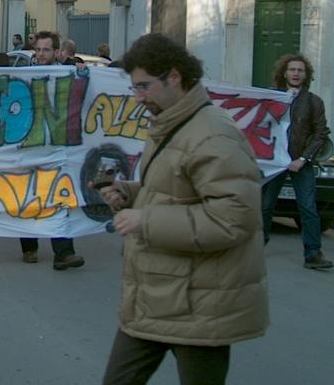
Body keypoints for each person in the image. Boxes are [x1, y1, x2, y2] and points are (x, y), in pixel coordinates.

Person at [97, 33, 268, 385]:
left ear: (173, 77)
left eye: (144, 87)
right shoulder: (173, 123)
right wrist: (128, 193)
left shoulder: (213, 135)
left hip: (198, 306)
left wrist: (146, 219)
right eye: (135, 89)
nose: (139, 97)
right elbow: (177, 190)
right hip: (155, 296)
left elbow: (233, 218)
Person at [19, 31, 85, 270]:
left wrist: (85, 75)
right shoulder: (23, 75)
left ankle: (64, 252)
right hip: (28, 145)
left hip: (56, 147)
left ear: (57, 52)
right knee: (28, 197)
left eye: (46, 50)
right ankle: (29, 246)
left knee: (59, 197)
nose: (40, 54)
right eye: (38, 50)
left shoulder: (68, 75)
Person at [261, 54, 332, 270]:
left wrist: (303, 159)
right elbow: (261, 126)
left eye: (300, 70)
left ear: (305, 74)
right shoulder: (272, 98)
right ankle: (255, 250)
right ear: (285, 73)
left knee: (308, 209)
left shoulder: (314, 102)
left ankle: (313, 254)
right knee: (265, 207)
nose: (296, 73)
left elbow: (321, 134)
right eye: (292, 69)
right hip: (275, 163)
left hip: (301, 164)